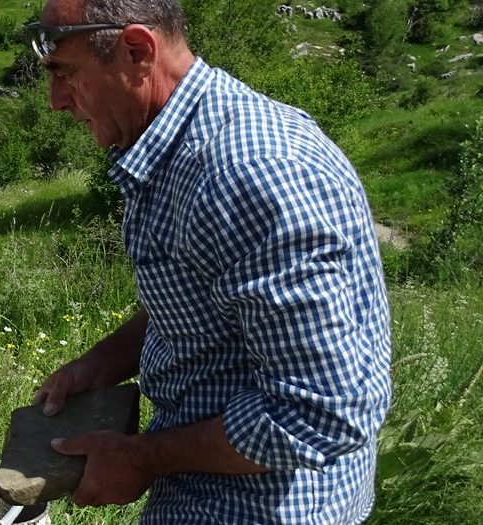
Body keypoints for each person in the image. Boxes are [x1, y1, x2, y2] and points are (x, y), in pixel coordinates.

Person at [27, 0, 391, 522]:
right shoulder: (176, 147)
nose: (56, 100)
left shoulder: (246, 175)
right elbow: (206, 298)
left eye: (65, 72)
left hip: (257, 508)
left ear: (136, 49)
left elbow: (318, 413)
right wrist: (100, 364)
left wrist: (140, 459)